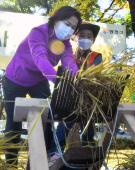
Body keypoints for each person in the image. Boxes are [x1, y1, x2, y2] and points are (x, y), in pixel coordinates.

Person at [3, 6, 81, 165]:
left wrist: (79, 79)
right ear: (56, 19)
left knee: (48, 118)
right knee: (14, 125)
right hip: (15, 81)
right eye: (67, 24)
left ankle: (43, 160)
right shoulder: (37, 33)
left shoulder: (65, 44)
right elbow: (40, 59)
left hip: (39, 82)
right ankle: (11, 164)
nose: (69, 30)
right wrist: (58, 81)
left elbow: (69, 62)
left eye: (73, 28)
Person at [49, 21, 102, 162]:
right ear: (75, 38)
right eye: (81, 35)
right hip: (70, 97)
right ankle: (56, 153)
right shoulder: (69, 55)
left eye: (89, 36)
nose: (85, 38)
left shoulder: (96, 56)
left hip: (88, 98)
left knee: (88, 126)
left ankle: (89, 154)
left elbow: (96, 74)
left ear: (93, 39)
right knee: (64, 123)